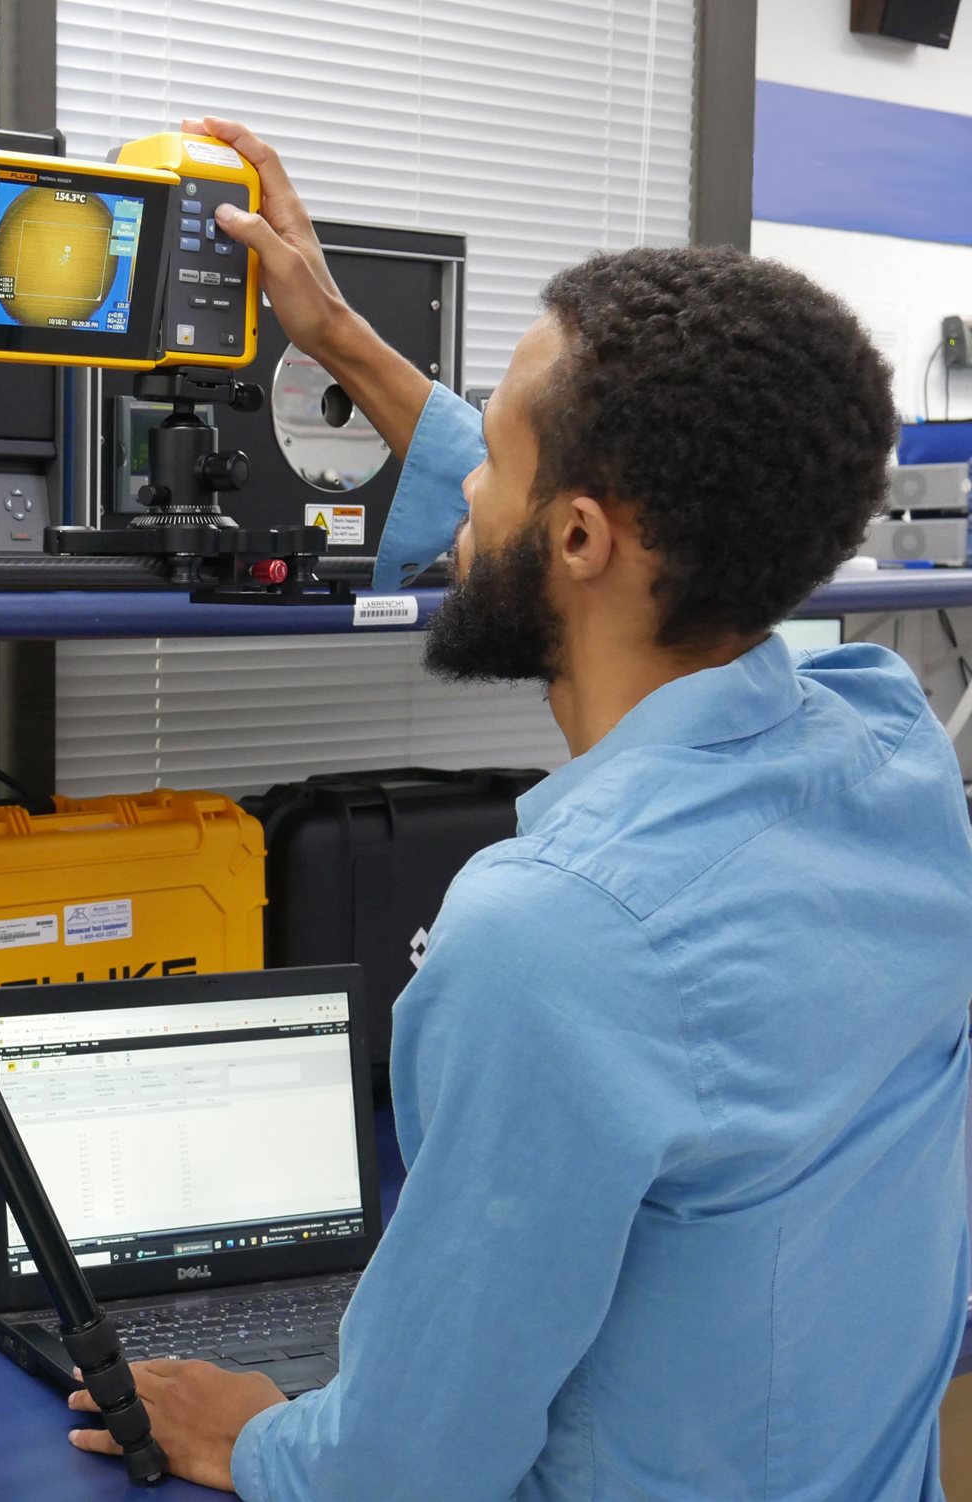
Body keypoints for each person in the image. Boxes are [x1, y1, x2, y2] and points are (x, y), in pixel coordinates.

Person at [66, 117, 972, 1500]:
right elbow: (550, 506)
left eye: (490, 452)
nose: (459, 494)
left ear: (584, 539)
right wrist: (337, 339)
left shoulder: (554, 937)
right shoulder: (887, 750)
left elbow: (404, 1465)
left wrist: (250, 1435)